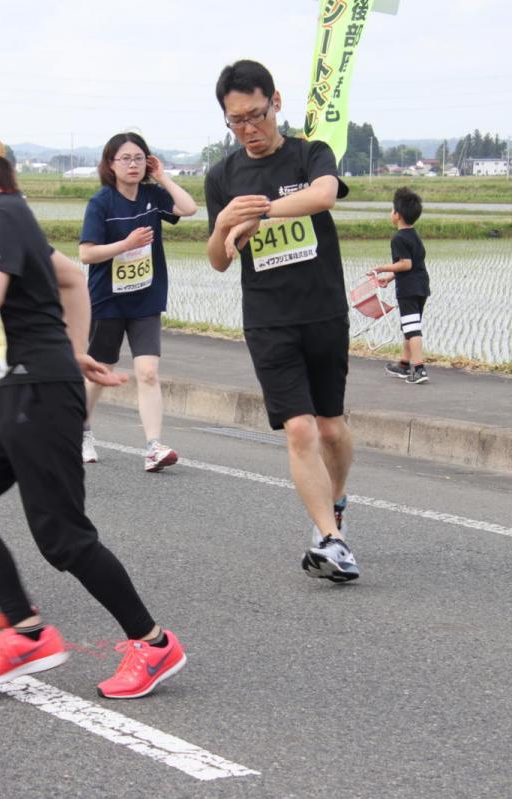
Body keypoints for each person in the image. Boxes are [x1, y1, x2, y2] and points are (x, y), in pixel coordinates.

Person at [0, 115, 186, 698]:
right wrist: (75, 350)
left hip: (37, 393)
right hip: (2, 389)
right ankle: (26, 632)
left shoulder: (2, 216)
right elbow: (70, 280)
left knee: (62, 537)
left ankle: (153, 643)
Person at [204, 60, 359, 582]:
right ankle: (330, 539)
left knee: (331, 427)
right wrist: (225, 226)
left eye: (256, 115)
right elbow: (219, 260)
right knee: (299, 427)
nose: (249, 128)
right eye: (236, 121)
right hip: (268, 319)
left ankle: (336, 503)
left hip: (323, 310)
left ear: (276, 102)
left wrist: (263, 211)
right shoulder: (222, 176)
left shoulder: (310, 153)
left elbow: (325, 194)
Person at [78, 132, 198, 470]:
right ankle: (81, 430)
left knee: (147, 372)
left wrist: (162, 177)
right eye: (125, 158)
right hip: (107, 300)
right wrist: (126, 245)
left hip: (146, 297)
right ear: (110, 164)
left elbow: (189, 208)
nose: (133, 165)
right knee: (101, 371)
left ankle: (153, 447)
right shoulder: (101, 203)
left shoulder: (152, 195)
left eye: (139, 158)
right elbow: (86, 253)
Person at [375, 187, 431, 385]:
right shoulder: (414, 234)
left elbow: (405, 264)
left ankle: (419, 369)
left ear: (397, 215)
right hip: (421, 286)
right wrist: (390, 278)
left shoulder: (398, 238)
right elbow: (411, 264)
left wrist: (382, 268)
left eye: (392, 209)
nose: (391, 213)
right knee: (410, 326)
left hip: (408, 289)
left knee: (412, 329)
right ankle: (404, 364)